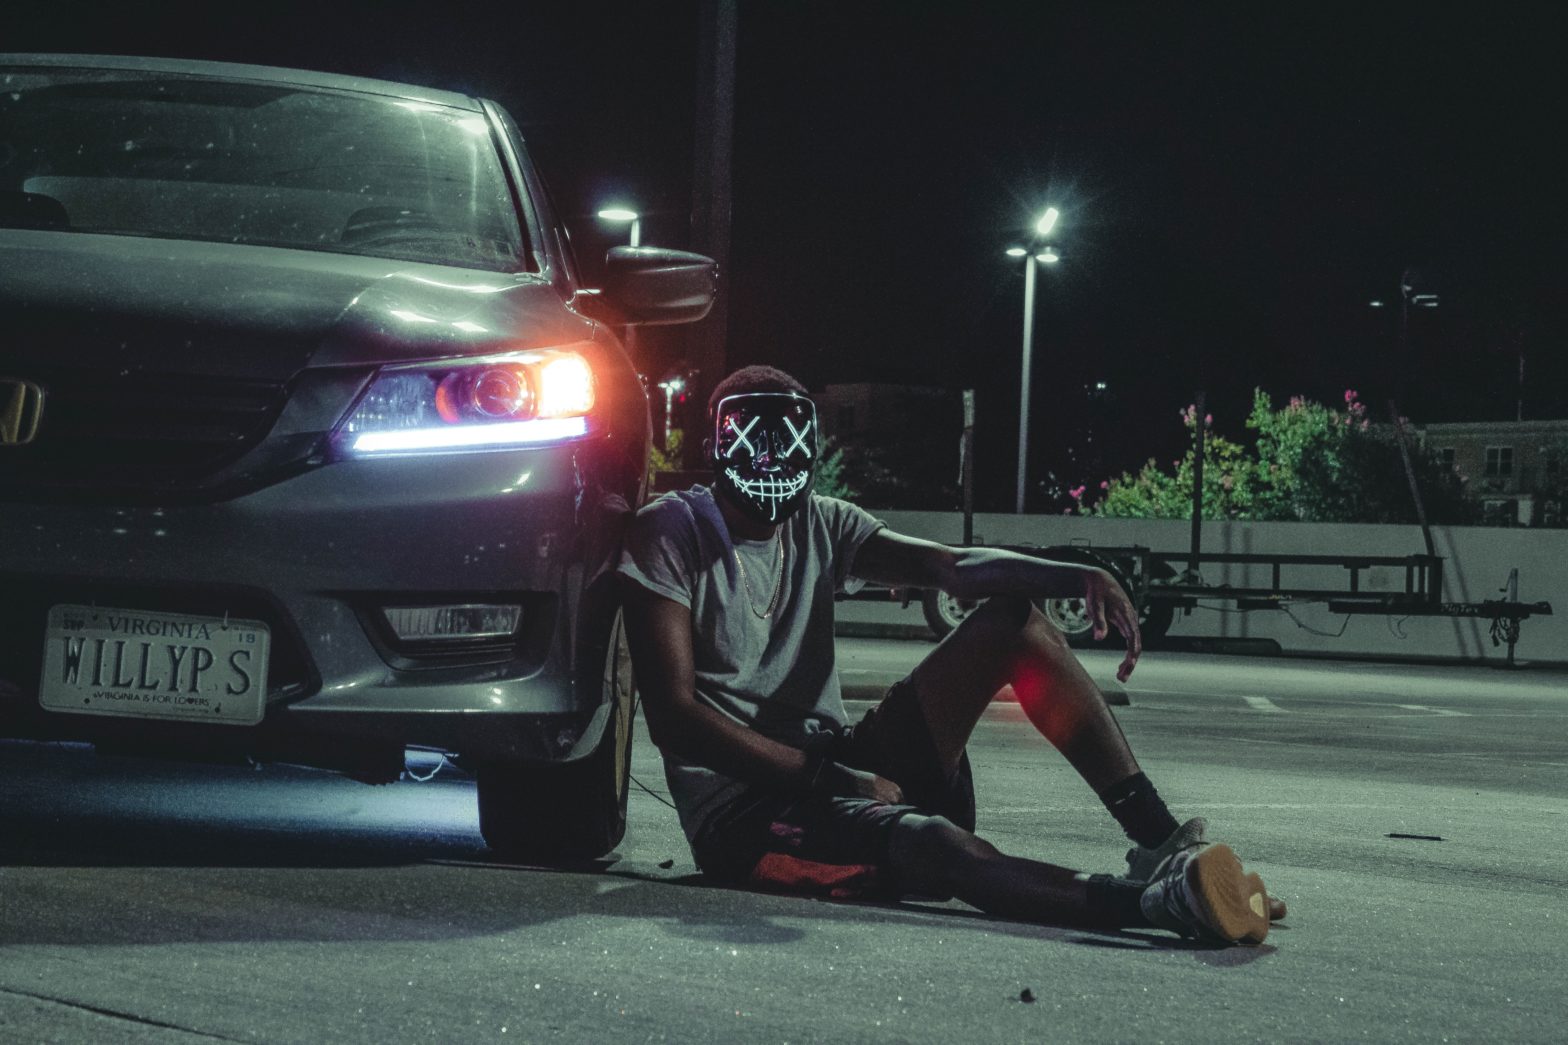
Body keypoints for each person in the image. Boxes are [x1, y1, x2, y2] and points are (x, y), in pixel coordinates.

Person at [617, 365, 1281, 944]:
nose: (769, 467)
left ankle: (1166, 849)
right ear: (720, 445)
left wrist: (1073, 574)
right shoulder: (672, 530)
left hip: (840, 760)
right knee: (937, 846)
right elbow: (676, 718)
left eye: (784, 448)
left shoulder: (819, 519)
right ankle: (1153, 903)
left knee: (1012, 621)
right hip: (749, 819)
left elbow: (955, 567)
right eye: (753, 449)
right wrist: (833, 781)